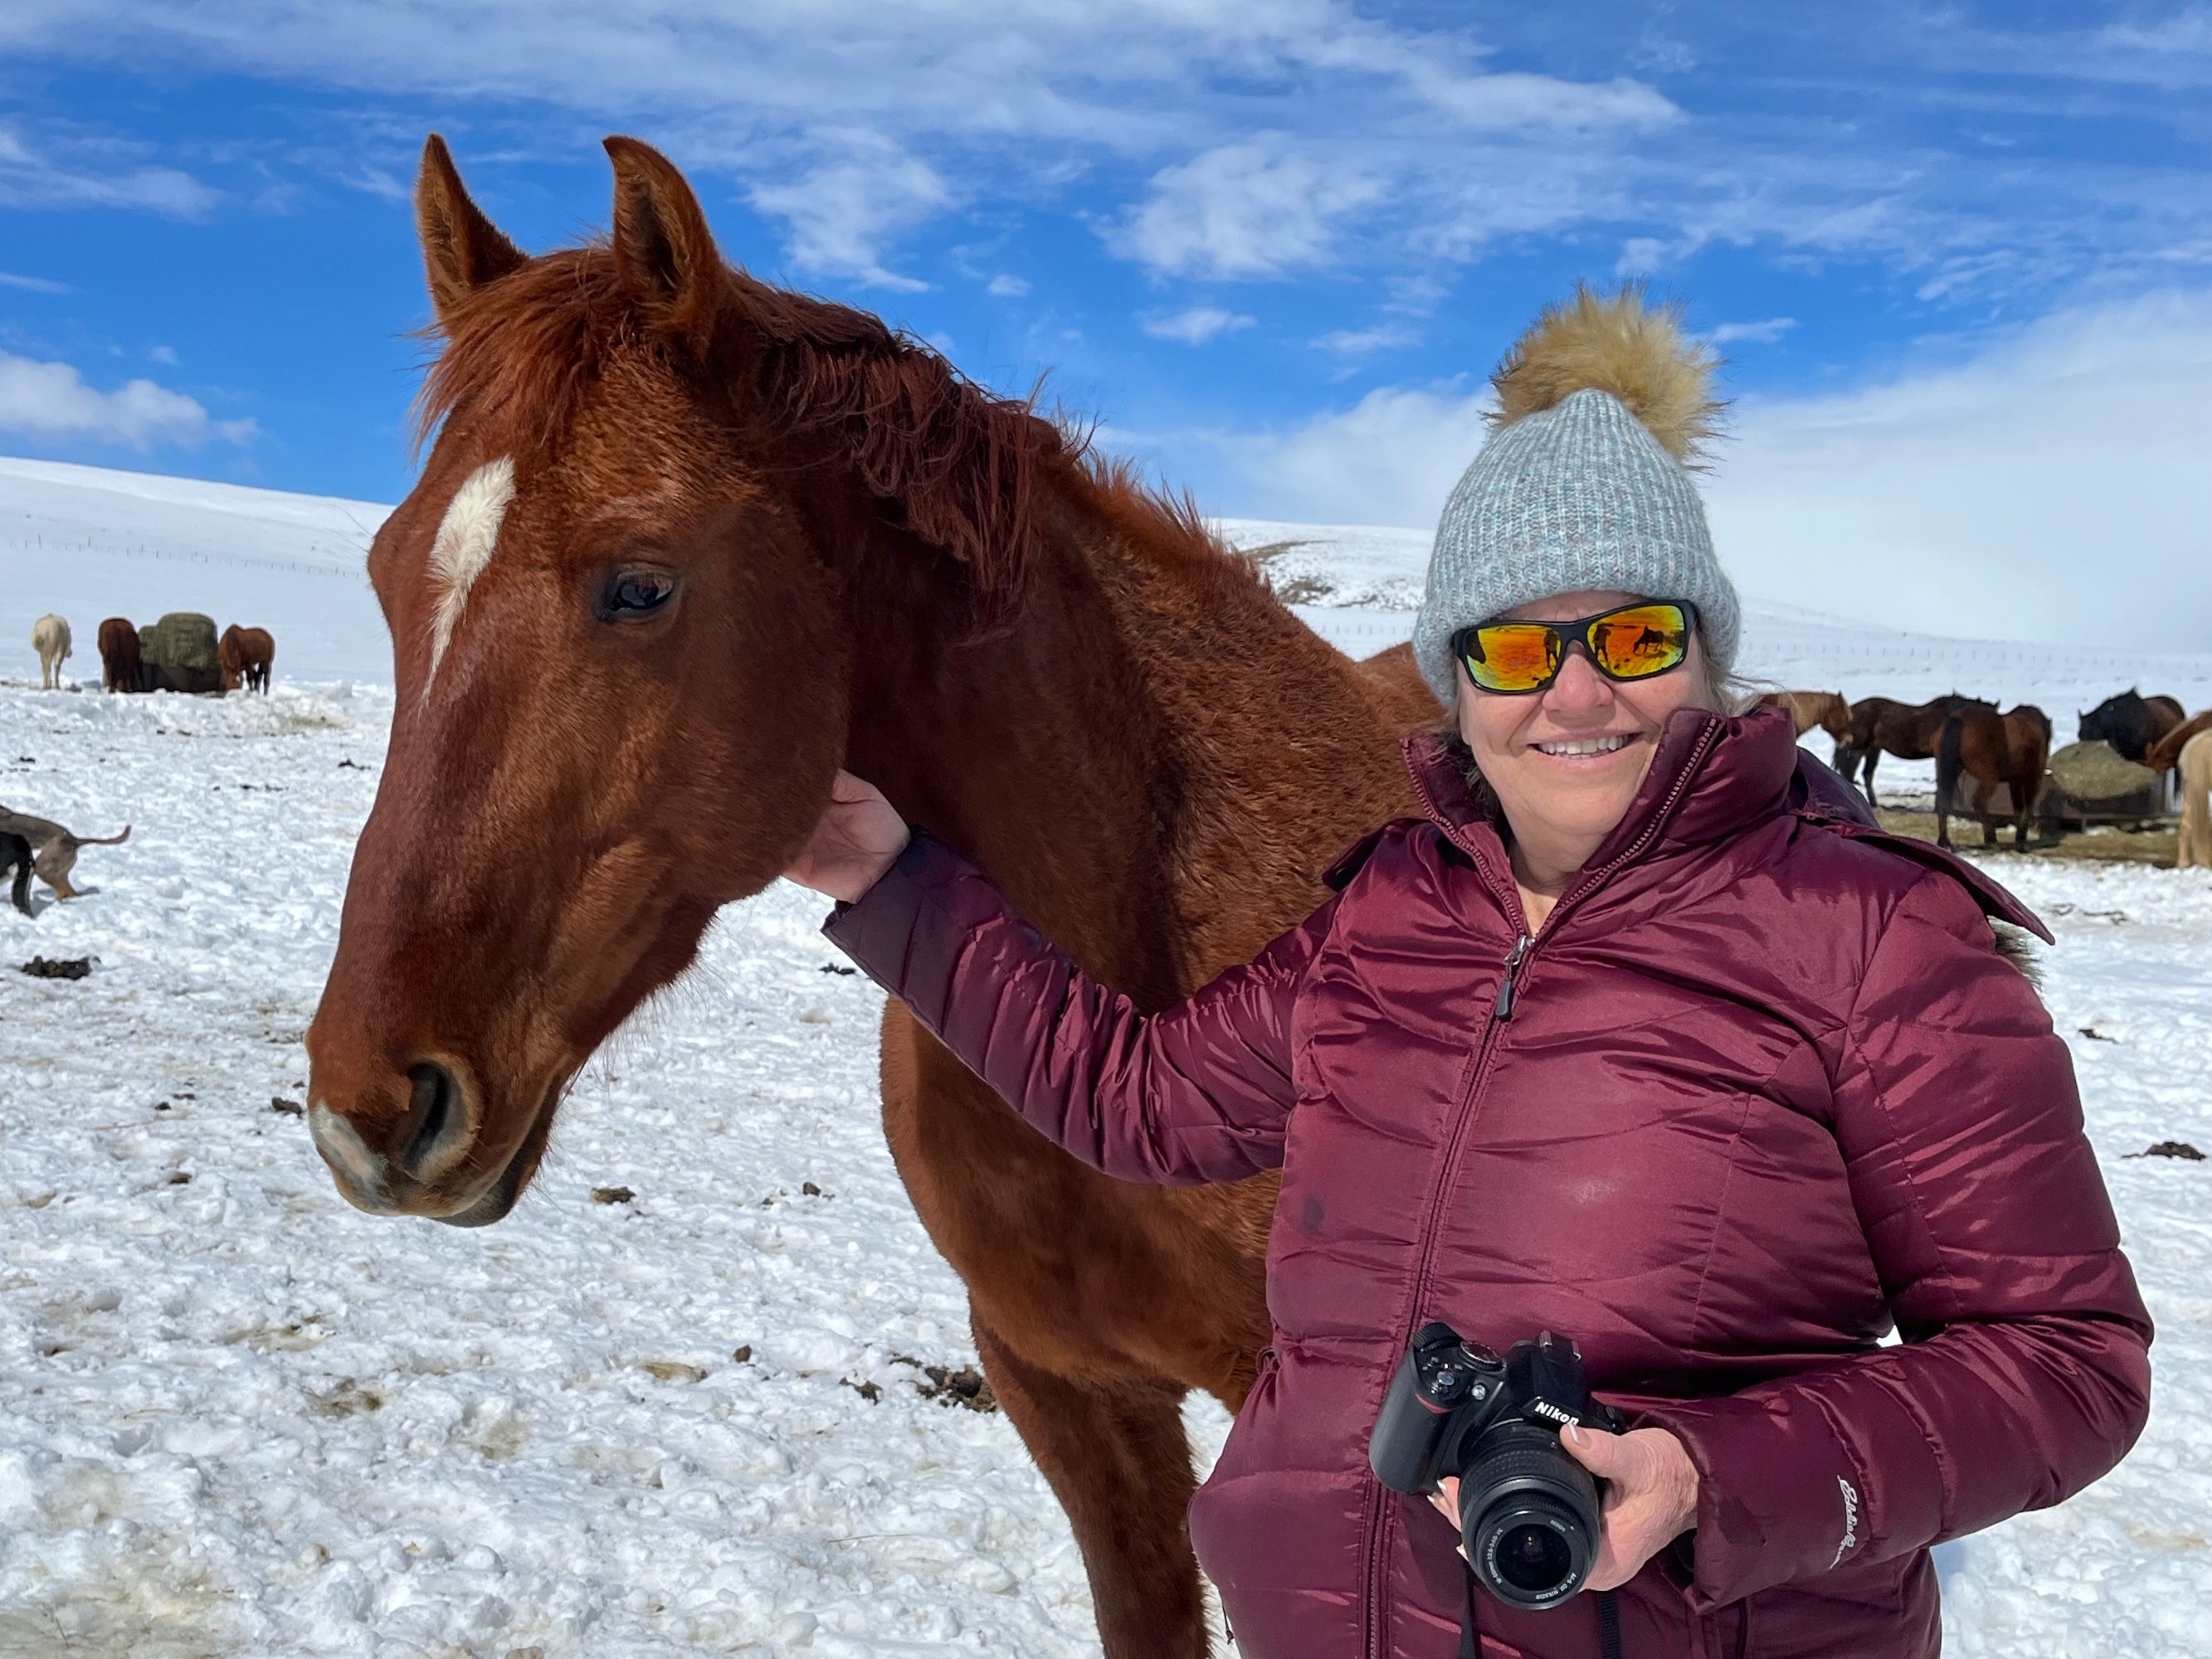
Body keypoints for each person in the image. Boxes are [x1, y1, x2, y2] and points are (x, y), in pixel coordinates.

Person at [784, 288, 2151, 1659]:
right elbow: (1138, 1100)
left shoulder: (1875, 940)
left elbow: (2063, 1362)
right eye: (1511, 646)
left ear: (1705, 658)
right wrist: (888, 881)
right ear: (1455, 679)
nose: (1573, 695)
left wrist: (1712, 1475)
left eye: (1632, 638)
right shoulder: (1394, 913)